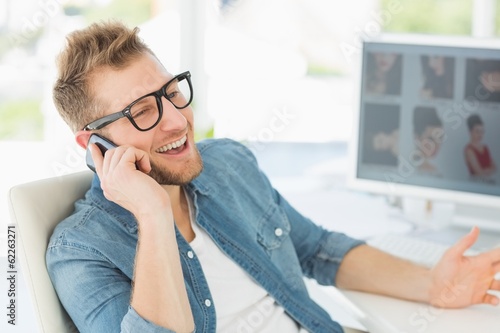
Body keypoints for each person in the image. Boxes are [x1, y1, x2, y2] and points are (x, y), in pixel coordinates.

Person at [47, 21, 500, 333]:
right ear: (94, 146)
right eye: (142, 111)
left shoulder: (227, 163)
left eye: (171, 93)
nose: (176, 121)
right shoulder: (80, 252)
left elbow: (318, 250)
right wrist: (151, 212)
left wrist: (434, 284)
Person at [464, 114, 496, 182]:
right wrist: (489, 170)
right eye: (477, 131)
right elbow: (479, 172)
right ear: (470, 132)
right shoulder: (469, 150)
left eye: (482, 131)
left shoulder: (485, 148)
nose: (480, 135)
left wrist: (488, 171)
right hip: (475, 184)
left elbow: (495, 167)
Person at [413, 106, 444, 175]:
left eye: (439, 138)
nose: (436, 145)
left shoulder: (434, 171)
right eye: (430, 139)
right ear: (417, 138)